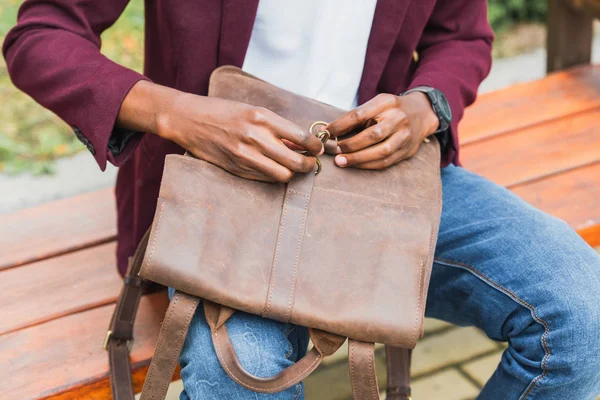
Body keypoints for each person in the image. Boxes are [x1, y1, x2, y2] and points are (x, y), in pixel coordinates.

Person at [4, 0, 600, 399]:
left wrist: (423, 107)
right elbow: (41, 34)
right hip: (219, 188)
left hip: (378, 179)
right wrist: (181, 114)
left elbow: (464, 36)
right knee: (242, 373)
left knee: (581, 309)